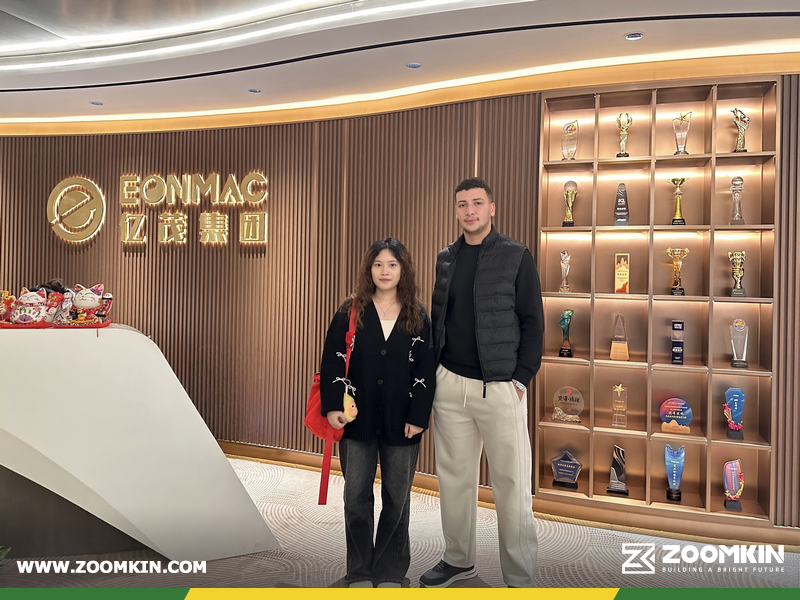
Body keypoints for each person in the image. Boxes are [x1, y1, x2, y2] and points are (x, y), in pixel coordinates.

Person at [420, 177, 544, 588]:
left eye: (477, 203)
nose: (469, 211)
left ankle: (519, 578)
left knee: (512, 484)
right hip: (450, 385)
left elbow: (533, 321)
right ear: (456, 211)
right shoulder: (446, 258)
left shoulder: (516, 256)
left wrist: (520, 380)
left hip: (500, 387)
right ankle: (458, 561)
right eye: (462, 204)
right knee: (454, 479)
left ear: (492, 208)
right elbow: (439, 320)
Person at [319, 237, 436, 588]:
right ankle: (359, 571)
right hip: (357, 420)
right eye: (378, 264)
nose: (385, 271)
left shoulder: (417, 314)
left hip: (403, 422)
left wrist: (418, 416)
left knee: (397, 499)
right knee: (356, 496)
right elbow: (332, 360)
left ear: (403, 270)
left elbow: (426, 370)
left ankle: (390, 571)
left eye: (392, 265)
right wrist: (332, 406)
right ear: (369, 269)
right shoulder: (350, 311)